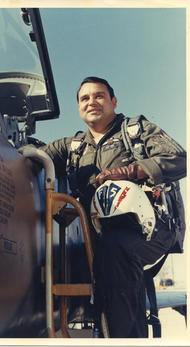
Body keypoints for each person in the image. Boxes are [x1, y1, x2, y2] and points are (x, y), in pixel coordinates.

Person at [28, 77, 186, 337]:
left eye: (99, 96)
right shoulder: (73, 147)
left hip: (149, 231)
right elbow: (38, 156)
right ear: (79, 107)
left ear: (113, 101)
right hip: (100, 236)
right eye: (84, 98)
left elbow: (180, 159)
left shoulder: (137, 131)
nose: (91, 102)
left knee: (115, 251)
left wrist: (133, 170)